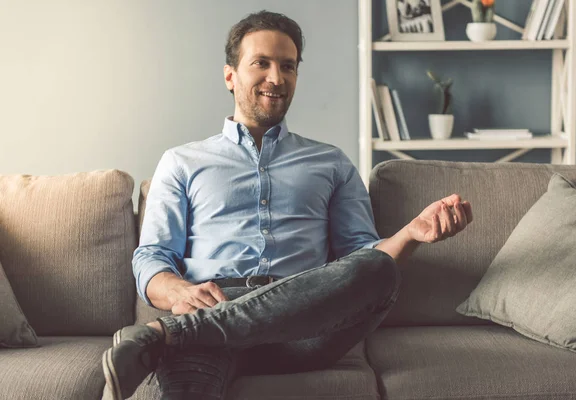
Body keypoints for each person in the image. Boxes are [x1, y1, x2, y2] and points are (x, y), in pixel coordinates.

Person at [101, 10, 473, 400]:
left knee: (380, 269)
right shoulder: (181, 162)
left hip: (305, 321)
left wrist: (412, 234)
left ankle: (167, 336)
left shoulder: (331, 162)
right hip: (213, 308)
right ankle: (187, 332)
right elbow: (152, 257)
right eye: (261, 63)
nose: (276, 78)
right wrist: (178, 292)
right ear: (230, 75)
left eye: (288, 66)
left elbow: (360, 261)